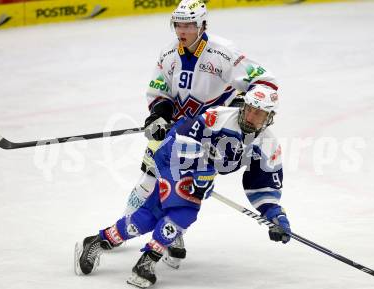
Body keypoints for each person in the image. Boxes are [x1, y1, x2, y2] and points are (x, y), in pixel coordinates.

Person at [75, 0, 280, 271]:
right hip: (176, 131)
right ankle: (120, 231)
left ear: (202, 25)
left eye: (188, 25)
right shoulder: (168, 53)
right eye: (178, 24)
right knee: (150, 181)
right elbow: (159, 90)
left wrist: (237, 111)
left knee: (192, 190)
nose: (182, 30)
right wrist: (159, 115)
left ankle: (171, 232)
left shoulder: (225, 53)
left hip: (209, 134)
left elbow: (265, 83)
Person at [74, 86, 291, 289]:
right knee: (184, 211)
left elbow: (263, 185)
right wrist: (200, 172)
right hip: (174, 156)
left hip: (199, 170)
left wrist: (275, 216)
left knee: (151, 214)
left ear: (269, 118)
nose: (252, 117)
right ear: (244, 106)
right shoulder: (218, 117)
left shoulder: (267, 145)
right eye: (250, 110)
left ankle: (100, 241)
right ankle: (147, 261)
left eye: (259, 114)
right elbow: (183, 136)